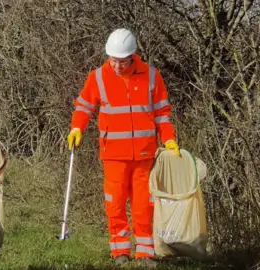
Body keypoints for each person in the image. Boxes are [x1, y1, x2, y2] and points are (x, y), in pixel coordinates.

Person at [67, 28, 180, 268]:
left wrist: (169, 139)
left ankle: (145, 253)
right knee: (115, 203)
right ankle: (120, 252)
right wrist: (77, 128)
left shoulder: (151, 76)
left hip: (144, 155)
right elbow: (84, 107)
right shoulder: (98, 77)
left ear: (133, 56)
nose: (117, 66)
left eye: (122, 61)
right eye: (113, 61)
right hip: (113, 156)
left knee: (143, 205)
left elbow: (162, 114)